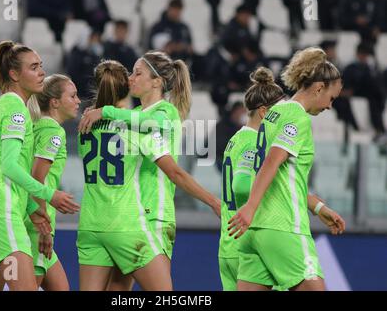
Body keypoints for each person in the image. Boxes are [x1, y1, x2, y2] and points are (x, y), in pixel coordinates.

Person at [78, 54, 221, 290]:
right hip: (128, 217)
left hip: (154, 215)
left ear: (157, 82)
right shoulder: (133, 119)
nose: (130, 78)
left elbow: (170, 165)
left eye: (137, 73)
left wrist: (106, 111)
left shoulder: (164, 113)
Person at [0, 41, 79, 291]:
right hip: (1, 211)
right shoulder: (17, 110)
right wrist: (51, 195)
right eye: (34, 67)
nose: (41, 73)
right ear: (14, 74)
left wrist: (30, 208)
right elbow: (9, 167)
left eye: (41, 66)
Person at [228, 47, 345, 291]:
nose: (330, 106)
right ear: (319, 87)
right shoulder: (298, 117)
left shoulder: (273, 113)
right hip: (283, 226)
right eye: (331, 98)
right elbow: (273, 161)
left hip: (254, 233)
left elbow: (281, 178)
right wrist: (249, 206)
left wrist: (318, 207)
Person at [25, 74, 81, 290]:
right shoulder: (53, 132)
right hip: (37, 225)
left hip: (33, 220)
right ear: (55, 102)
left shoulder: (36, 126)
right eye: (73, 96)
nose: (78, 101)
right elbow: (36, 178)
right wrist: (44, 230)